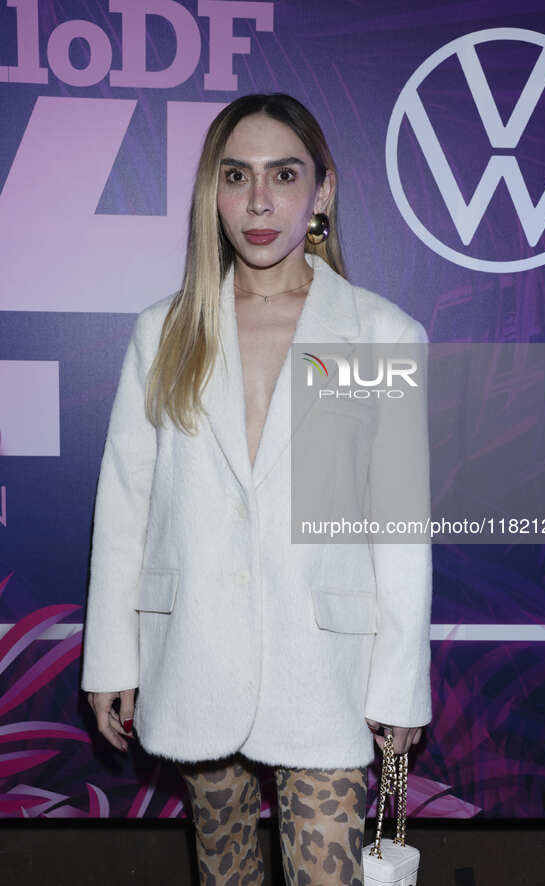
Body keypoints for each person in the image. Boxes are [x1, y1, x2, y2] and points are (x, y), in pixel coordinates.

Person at [81, 92, 432, 885]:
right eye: (237, 174)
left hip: (326, 667)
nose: (261, 200)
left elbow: (398, 525)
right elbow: (127, 503)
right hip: (195, 656)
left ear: (323, 192)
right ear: (213, 192)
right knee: (225, 870)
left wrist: (400, 682)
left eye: (285, 173)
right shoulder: (164, 331)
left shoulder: (379, 332)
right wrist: (110, 656)